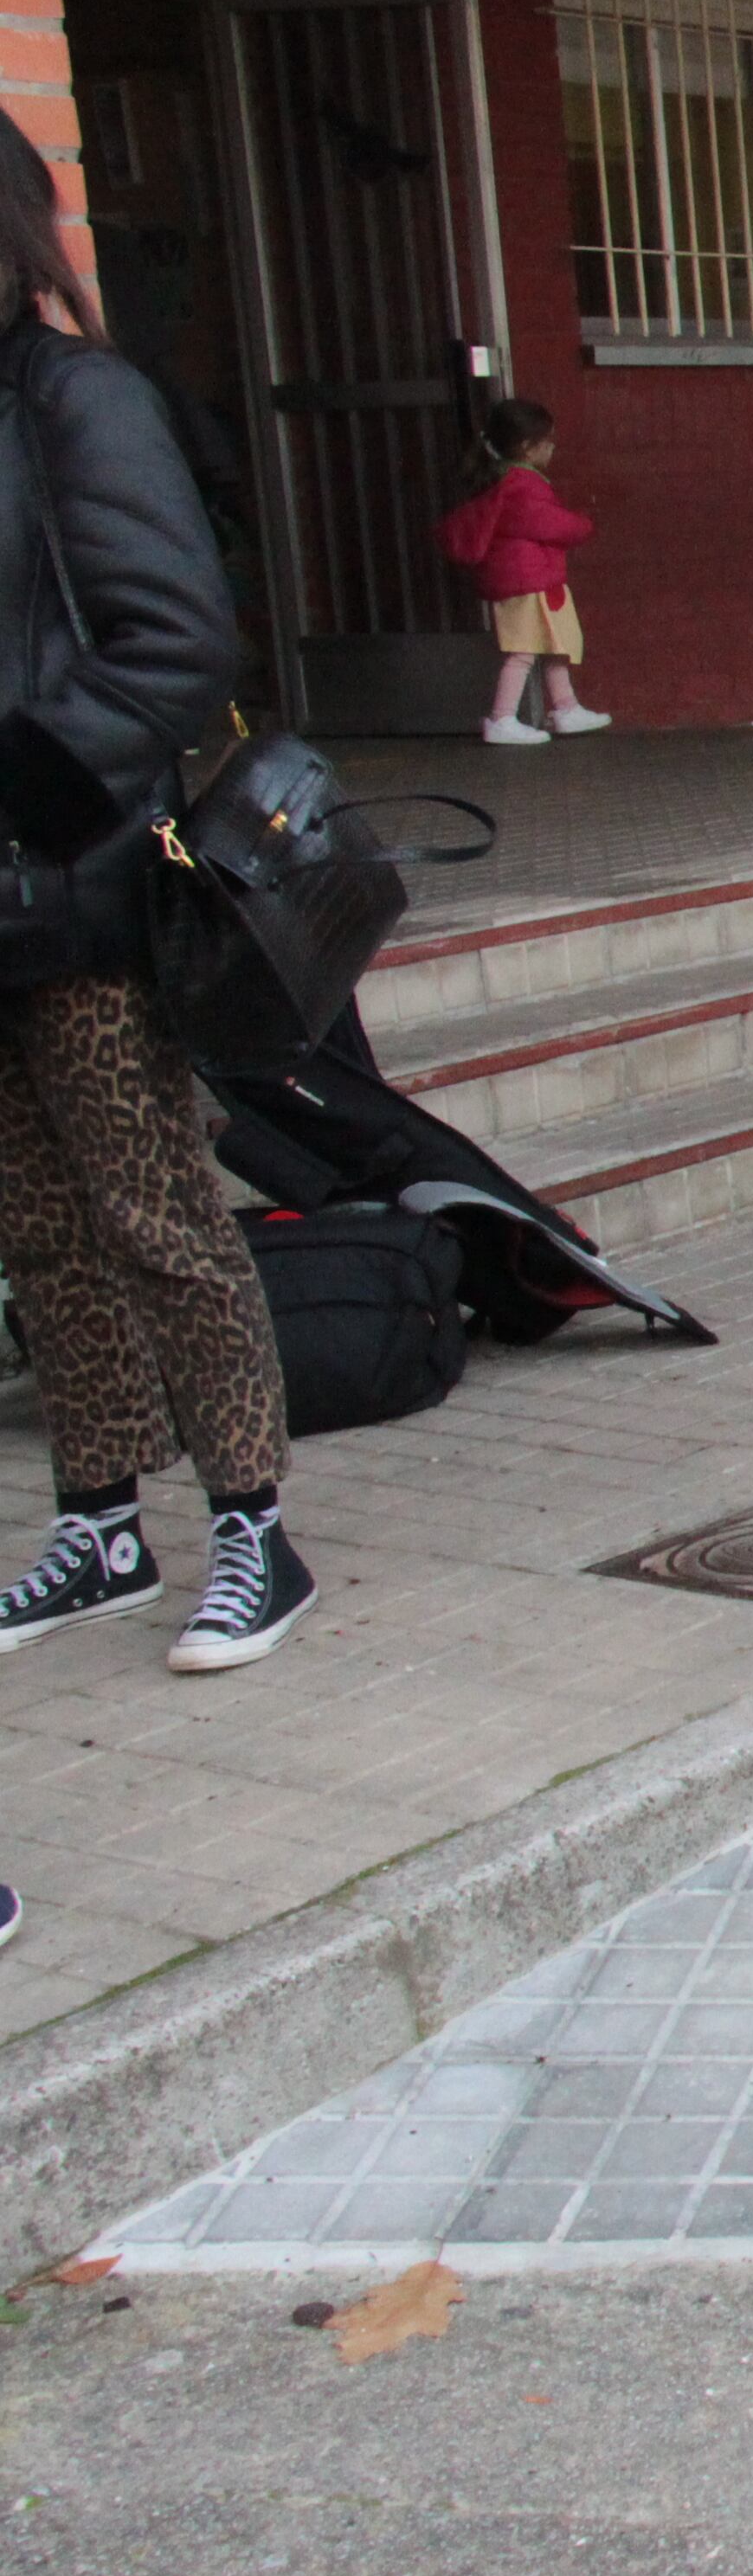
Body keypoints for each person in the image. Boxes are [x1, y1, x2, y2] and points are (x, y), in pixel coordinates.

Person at [0, 109, 311, 1680]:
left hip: (84, 892)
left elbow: (178, 646)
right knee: (38, 1230)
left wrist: (34, 802)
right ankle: (101, 1521)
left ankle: (258, 1525)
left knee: (157, 1216)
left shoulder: (76, 399)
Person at [437, 397, 607, 746]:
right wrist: (583, 525)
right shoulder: (522, 485)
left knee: (553, 644)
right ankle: (502, 718)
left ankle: (565, 706)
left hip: (530, 579)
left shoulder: (504, 481)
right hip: (527, 581)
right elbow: (551, 524)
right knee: (524, 651)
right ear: (528, 448)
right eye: (548, 441)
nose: (553, 448)